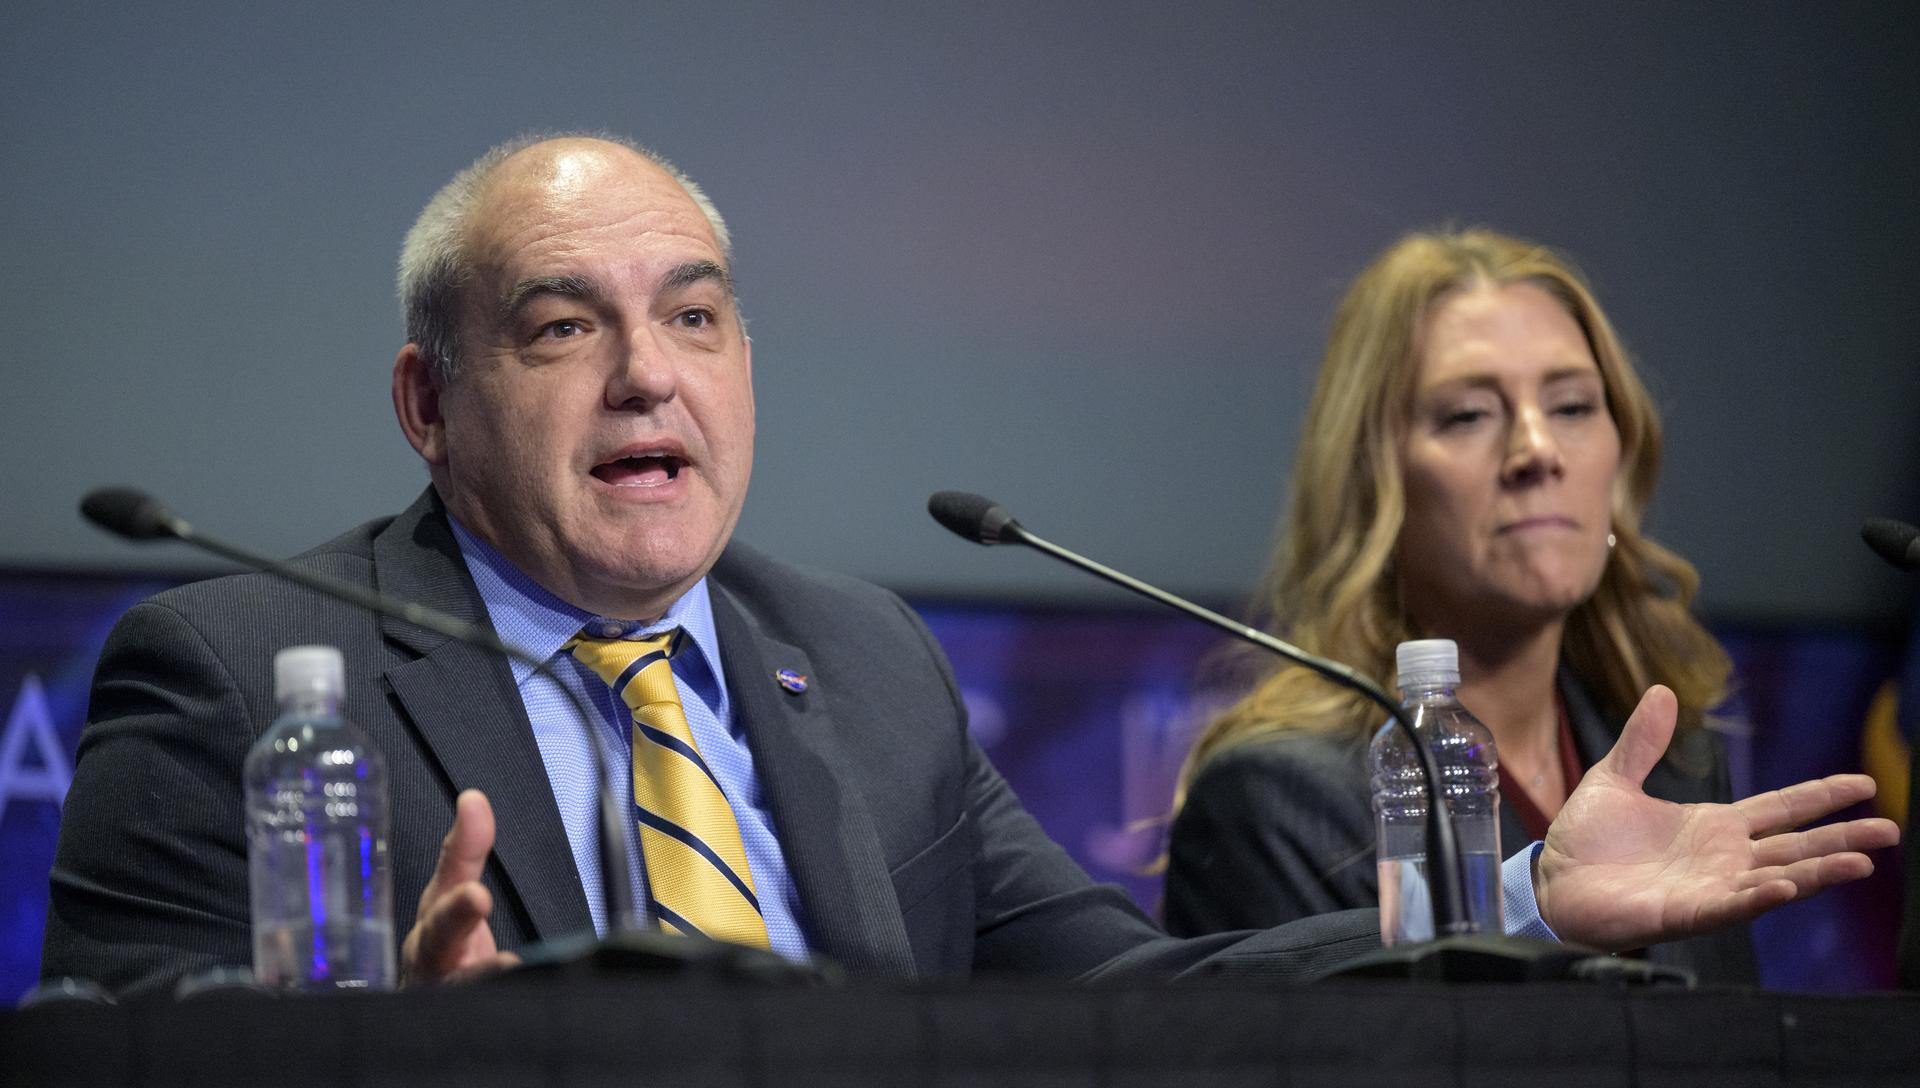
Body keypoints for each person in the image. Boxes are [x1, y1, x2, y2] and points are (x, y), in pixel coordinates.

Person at [42, 140, 1894, 997]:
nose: (650, 373)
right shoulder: (232, 656)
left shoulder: (856, 658)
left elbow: (1144, 996)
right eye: (562, 326)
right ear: (427, 404)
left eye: (696, 314)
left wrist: (1514, 900)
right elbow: (93, 1045)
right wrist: (375, 1051)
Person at [1163, 229, 1782, 982]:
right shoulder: (1277, 803)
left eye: (1573, 406)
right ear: (1372, 481)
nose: (1537, 451)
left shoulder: (1677, 759)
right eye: (1467, 415)